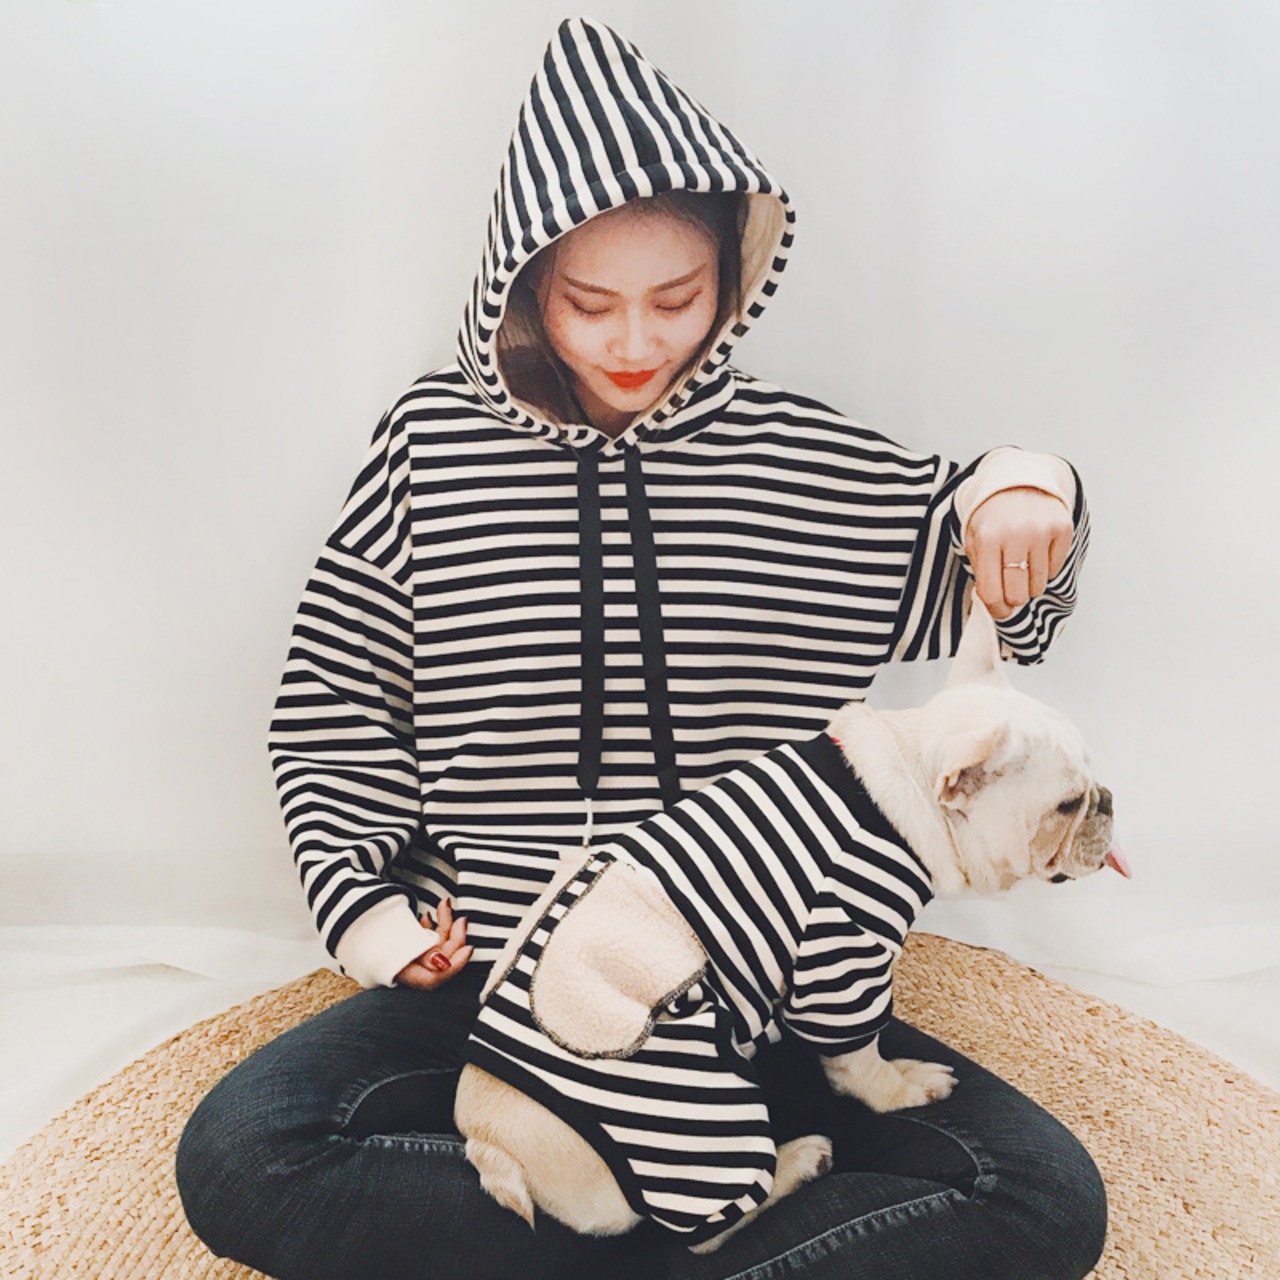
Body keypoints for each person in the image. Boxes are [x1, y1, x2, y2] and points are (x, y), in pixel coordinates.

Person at [176, 17, 1106, 1280]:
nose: (633, 343)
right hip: (498, 982)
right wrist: (373, 912)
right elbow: (338, 702)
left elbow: (996, 589)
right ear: (522, 285)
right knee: (246, 1154)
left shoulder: (803, 464)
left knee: (1041, 1198)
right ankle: (721, 1235)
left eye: (675, 300)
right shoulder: (428, 452)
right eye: (588, 302)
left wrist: (1026, 485)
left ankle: (620, 1226)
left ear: (734, 276)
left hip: (755, 984)